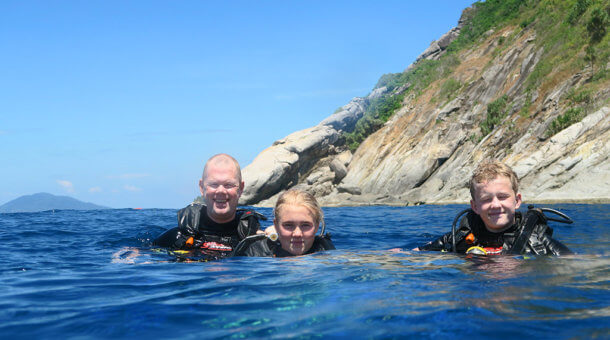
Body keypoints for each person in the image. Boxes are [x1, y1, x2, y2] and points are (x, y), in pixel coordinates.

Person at [415, 160, 572, 255]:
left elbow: (576, 262)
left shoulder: (538, 243)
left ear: (517, 201)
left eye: (503, 197)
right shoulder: (457, 240)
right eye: (486, 199)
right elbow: (411, 255)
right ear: (474, 206)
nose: (496, 205)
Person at [153, 153, 265, 260]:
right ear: (202, 187)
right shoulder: (178, 237)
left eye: (228, 185)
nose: (221, 191)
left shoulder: (255, 238)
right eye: (214, 184)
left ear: (241, 188)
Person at [232, 189, 335, 257]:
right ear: (276, 225)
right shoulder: (254, 252)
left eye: (305, 225)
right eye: (289, 225)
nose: (297, 234)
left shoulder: (324, 250)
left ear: (317, 226)